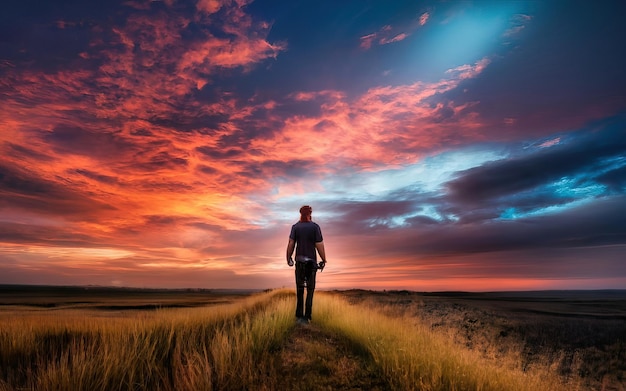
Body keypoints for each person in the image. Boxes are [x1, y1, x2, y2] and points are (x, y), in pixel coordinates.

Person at [286, 205, 327, 324]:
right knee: (310, 290)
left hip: (299, 261)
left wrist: (288, 258)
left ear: (300, 214)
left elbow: (291, 243)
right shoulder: (315, 227)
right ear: (310, 213)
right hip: (311, 262)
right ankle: (307, 317)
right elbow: (319, 245)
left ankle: (299, 316)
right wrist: (324, 259)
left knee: (299, 289)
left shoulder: (295, 227)